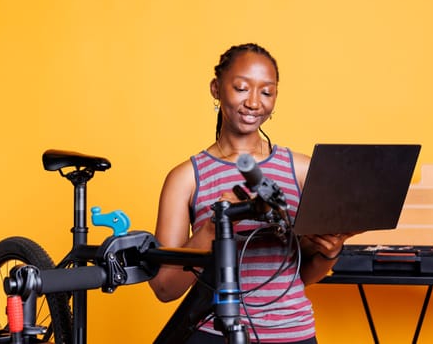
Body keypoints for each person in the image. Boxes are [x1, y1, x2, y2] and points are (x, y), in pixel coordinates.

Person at [148, 43, 353, 344]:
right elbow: (165, 288)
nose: (254, 102)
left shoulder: (302, 170)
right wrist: (214, 226)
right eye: (242, 88)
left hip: (293, 334)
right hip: (215, 334)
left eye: (266, 92)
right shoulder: (186, 178)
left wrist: (330, 250)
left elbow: (299, 277)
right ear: (216, 89)